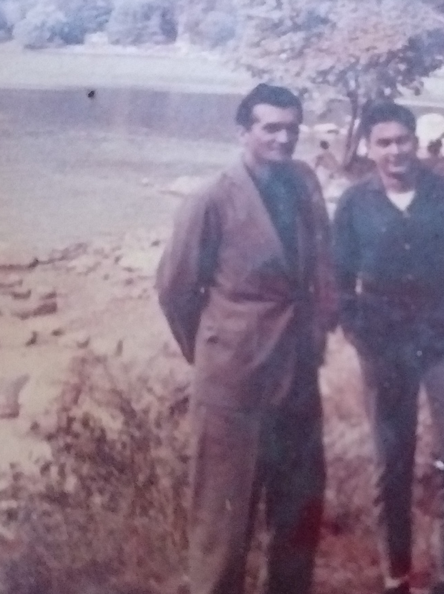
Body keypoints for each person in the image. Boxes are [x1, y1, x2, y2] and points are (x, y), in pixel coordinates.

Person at [155, 83, 337, 594]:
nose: (283, 139)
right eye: (270, 128)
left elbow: (319, 261)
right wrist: (215, 349)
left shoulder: (304, 183)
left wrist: (319, 329)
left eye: (291, 129)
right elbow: (174, 288)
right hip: (234, 386)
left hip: (298, 376)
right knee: (223, 527)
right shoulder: (210, 199)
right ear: (244, 132)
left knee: (298, 514)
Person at [333, 101, 444, 594]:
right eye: (384, 142)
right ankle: (395, 573)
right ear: (368, 148)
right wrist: (358, 330)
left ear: (415, 142)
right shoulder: (355, 203)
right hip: (384, 345)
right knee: (391, 458)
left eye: (402, 140)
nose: (395, 150)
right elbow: (338, 280)